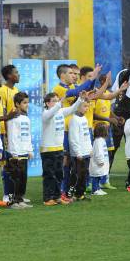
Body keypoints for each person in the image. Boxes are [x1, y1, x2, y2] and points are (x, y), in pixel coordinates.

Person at [52, 63, 99, 199]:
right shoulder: (58, 89)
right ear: (63, 75)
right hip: (64, 131)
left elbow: (87, 88)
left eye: (75, 74)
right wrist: (93, 76)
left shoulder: (71, 86)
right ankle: (62, 190)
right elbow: (76, 92)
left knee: (74, 164)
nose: (74, 76)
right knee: (66, 162)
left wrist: (93, 79)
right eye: (71, 73)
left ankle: (70, 190)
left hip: (73, 128)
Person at [41, 91, 84, 206]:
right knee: (49, 175)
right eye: (53, 101)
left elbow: (72, 109)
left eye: (57, 100)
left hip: (59, 148)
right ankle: (47, 198)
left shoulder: (60, 111)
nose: (56, 103)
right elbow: (51, 113)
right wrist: (59, 103)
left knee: (59, 174)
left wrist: (80, 99)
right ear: (47, 103)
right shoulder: (45, 114)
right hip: (48, 149)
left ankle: (57, 196)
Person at [5, 92, 34, 209]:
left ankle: (20, 199)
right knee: (14, 178)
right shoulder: (13, 118)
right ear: (17, 104)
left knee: (23, 178)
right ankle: (12, 202)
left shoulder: (26, 118)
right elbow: (12, 136)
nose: (27, 105)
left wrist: (30, 150)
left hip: (24, 152)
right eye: (24, 103)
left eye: (27, 102)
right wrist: (14, 153)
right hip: (15, 153)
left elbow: (28, 136)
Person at [0, 64, 21, 205]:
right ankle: (6, 195)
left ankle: (15, 194)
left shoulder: (16, 90)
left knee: (15, 163)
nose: (18, 75)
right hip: (5, 132)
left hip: (15, 132)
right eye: (16, 73)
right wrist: (6, 135)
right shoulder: (2, 91)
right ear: (9, 76)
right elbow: (4, 114)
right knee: (6, 163)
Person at [68, 100, 93, 201]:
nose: (86, 108)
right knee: (76, 174)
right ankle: (72, 194)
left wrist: (90, 148)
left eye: (87, 106)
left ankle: (80, 194)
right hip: (78, 154)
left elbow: (87, 136)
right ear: (77, 107)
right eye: (84, 106)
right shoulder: (74, 120)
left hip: (86, 152)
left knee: (84, 174)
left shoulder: (84, 119)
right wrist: (77, 152)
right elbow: (73, 138)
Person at [90, 123, 110, 196]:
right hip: (97, 163)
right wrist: (100, 161)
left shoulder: (101, 140)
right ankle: (94, 190)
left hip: (100, 163)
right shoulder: (98, 141)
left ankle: (98, 188)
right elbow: (99, 152)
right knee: (96, 176)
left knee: (98, 176)